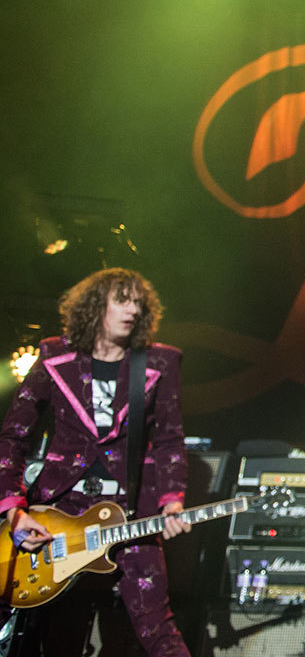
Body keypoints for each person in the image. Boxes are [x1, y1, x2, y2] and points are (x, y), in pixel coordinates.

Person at [0, 268, 192, 656]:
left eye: (139, 302)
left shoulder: (159, 363)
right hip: (60, 508)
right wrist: (13, 510)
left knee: (158, 627)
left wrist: (172, 499)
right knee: (56, 628)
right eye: (122, 300)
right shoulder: (56, 357)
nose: (133, 309)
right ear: (95, 306)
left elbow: (170, 437)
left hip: (131, 510)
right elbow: (12, 437)